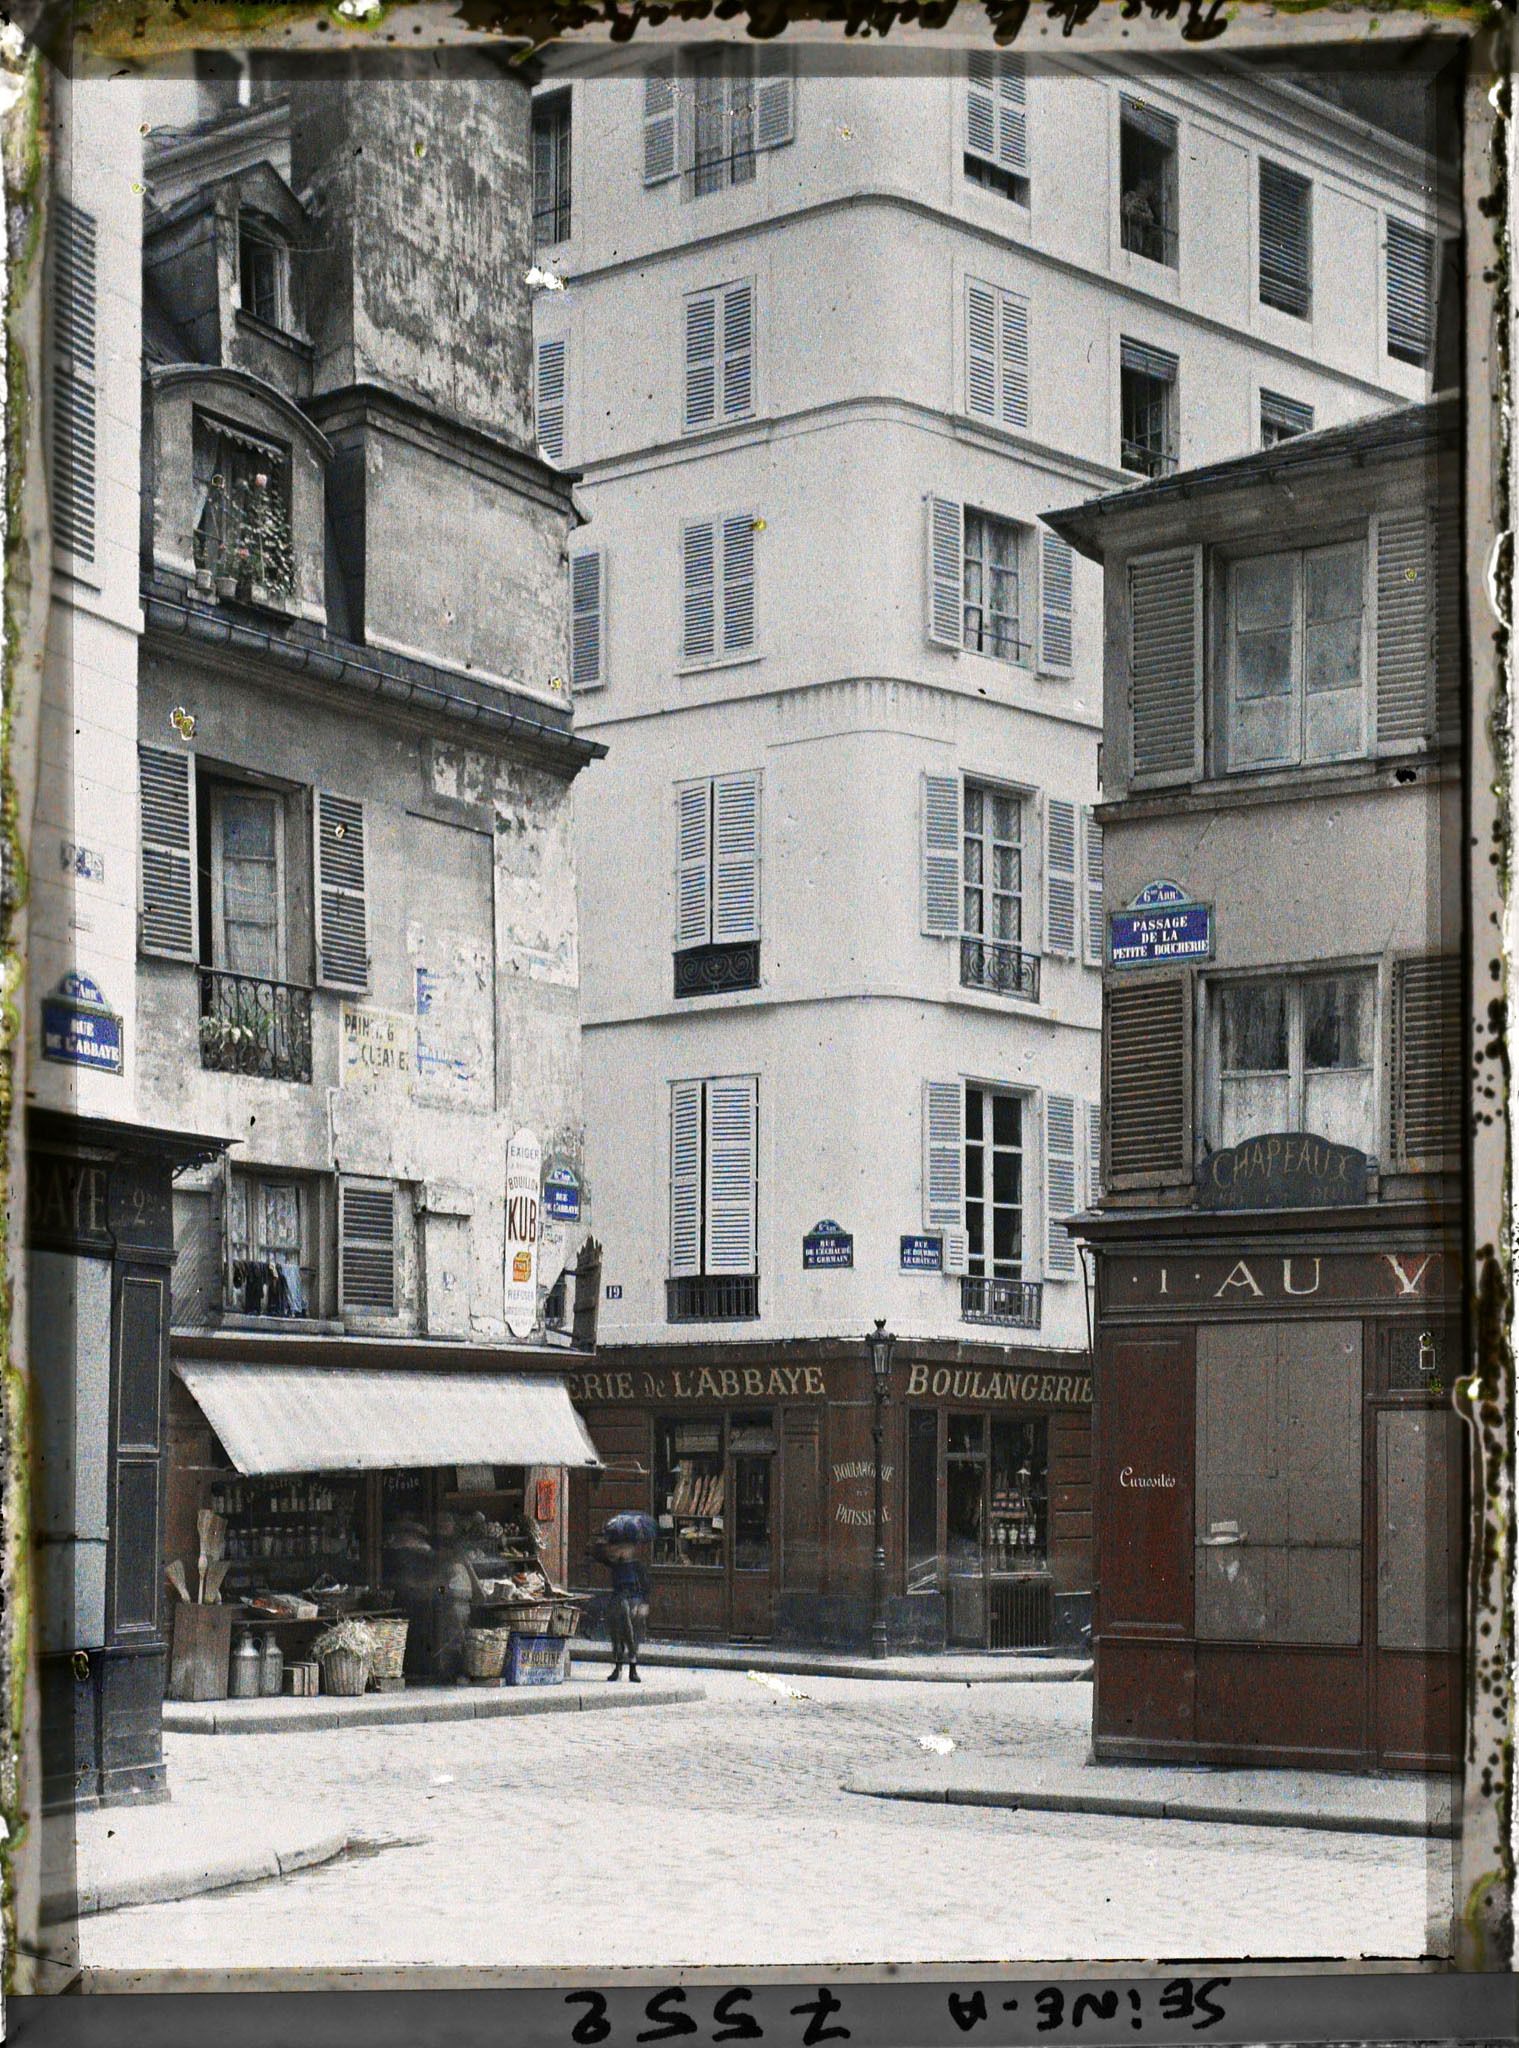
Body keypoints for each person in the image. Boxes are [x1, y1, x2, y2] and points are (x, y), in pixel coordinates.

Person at [591, 1538, 649, 1682]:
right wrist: (602, 1543)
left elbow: (646, 1587)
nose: (623, 1551)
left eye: (626, 1548)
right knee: (617, 1634)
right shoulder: (616, 1565)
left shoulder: (637, 1566)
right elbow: (596, 1554)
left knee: (632, 1634)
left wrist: (644, 1604)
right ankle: (618, 1666)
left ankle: (632, 1669)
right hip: (619, 1600)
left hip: (634, 1600)